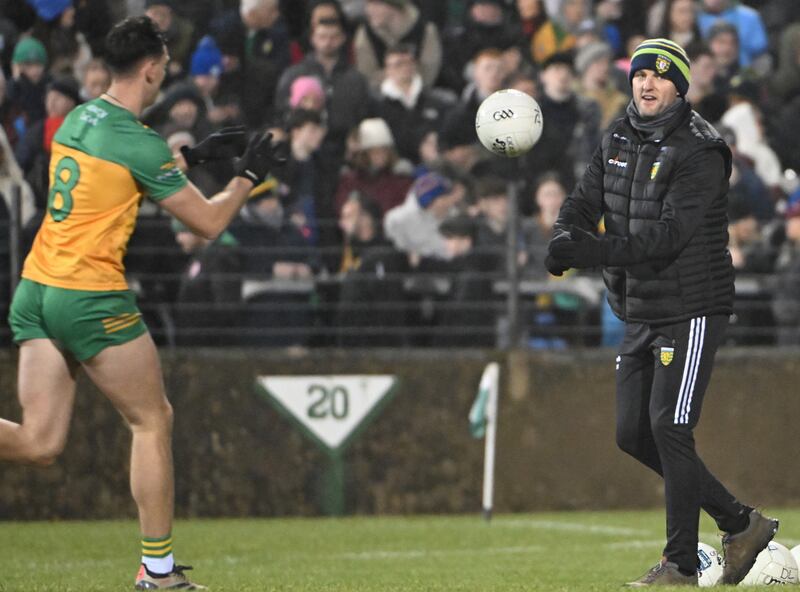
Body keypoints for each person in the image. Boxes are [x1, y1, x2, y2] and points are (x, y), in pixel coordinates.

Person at [3, 16, 281, 590]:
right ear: (153, 67)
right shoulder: (138, 141)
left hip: (36, 291)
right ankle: (157, 573)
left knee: (39, 443)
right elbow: (206, 222)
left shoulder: (79, 118)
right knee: (153, 420)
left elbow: (118, 176)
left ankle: (158, 571)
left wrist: (193, 158)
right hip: (88, 297)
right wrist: (247, 177)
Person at [545, 38, 779, 586]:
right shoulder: (619, 134)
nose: (646, 83)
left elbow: (667, 238)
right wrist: (564, 235)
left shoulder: (701, 150)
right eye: (639, 75)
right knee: (632, 433)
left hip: (693, 306)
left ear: (680, 85)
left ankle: (680, 565)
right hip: (641, 306)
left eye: (659, 75)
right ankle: (740, 523)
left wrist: (591, 252)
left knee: (669, 426)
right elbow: (584, 200)